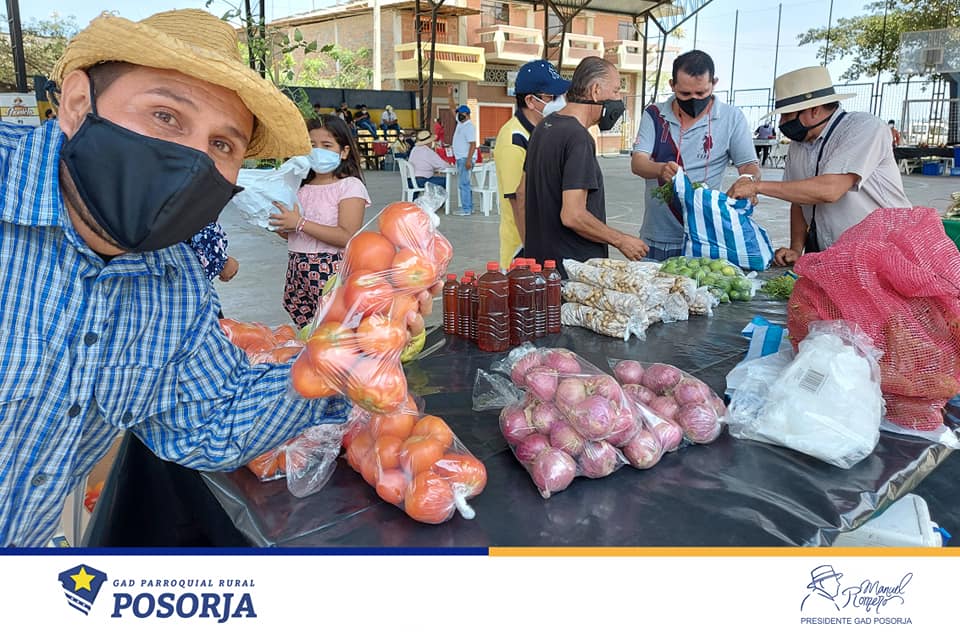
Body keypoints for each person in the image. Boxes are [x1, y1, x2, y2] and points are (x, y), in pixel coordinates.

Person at [0, 9, 433, 547]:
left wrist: (344, 351)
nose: (192, 158)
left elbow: (212, 419)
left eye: (223, 145)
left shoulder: (175, 282)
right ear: (76, 103)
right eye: (165, 116)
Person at [728, 66, 910, 266]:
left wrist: (757, 187)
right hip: (835, 257)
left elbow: (830, 190)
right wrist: (796, 248)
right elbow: (798, 201)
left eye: (787, 115)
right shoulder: (799, 145)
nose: (781, 123)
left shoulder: (864, 128)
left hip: (885, 254)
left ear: (814, 109)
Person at [522, 56, 649, 276]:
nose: (618, 99)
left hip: (543, 269)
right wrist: (621, 240)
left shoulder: (544, 127)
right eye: (616, 91)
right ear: (596, 91)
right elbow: (573, 215)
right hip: (573, 274)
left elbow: (521, 191)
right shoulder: (578, 138)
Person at [631, 50, 760, 260]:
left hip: (705, 236)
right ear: (672, 85)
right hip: (658, 235)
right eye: (685, 94)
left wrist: (748, 181)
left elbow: (748, 166)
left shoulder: (731, 117)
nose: (694, 100)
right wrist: (660, 169)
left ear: (714, 83)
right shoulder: (655, 115)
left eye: (701, 93)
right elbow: (638, 162)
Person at [270, 115, 369, 328]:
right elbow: (291, 233)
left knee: (335, 327)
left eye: (327, 145)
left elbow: (347, 236)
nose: (318, 151)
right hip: (297, 269)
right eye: (312, 145)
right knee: (310, 330)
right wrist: (277, 221)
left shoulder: (349, 186)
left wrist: (299, 223)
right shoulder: (299, 187)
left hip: (330, 270)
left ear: (344, 151)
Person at [493, 59, 569, 269]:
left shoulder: (543, 131)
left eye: (560, 95)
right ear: (530, 100)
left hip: (547, 244)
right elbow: (519, 199)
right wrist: (534, 255)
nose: (560, 101)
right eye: (551, 97)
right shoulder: (514, 139)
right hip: (523, 252)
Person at [451, 105, 476, 216]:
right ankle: (469, 207)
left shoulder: (469, 127)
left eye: (461, 114)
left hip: (465, 158)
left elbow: (473, 144)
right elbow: (452, 108)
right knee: (465, 184)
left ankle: (466, 209)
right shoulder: (460, 124)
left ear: (467, 114)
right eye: (458, 114)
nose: (459, 115)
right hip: (461, 158)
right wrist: (450, 96)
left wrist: (468, 160)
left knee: (464, 184)